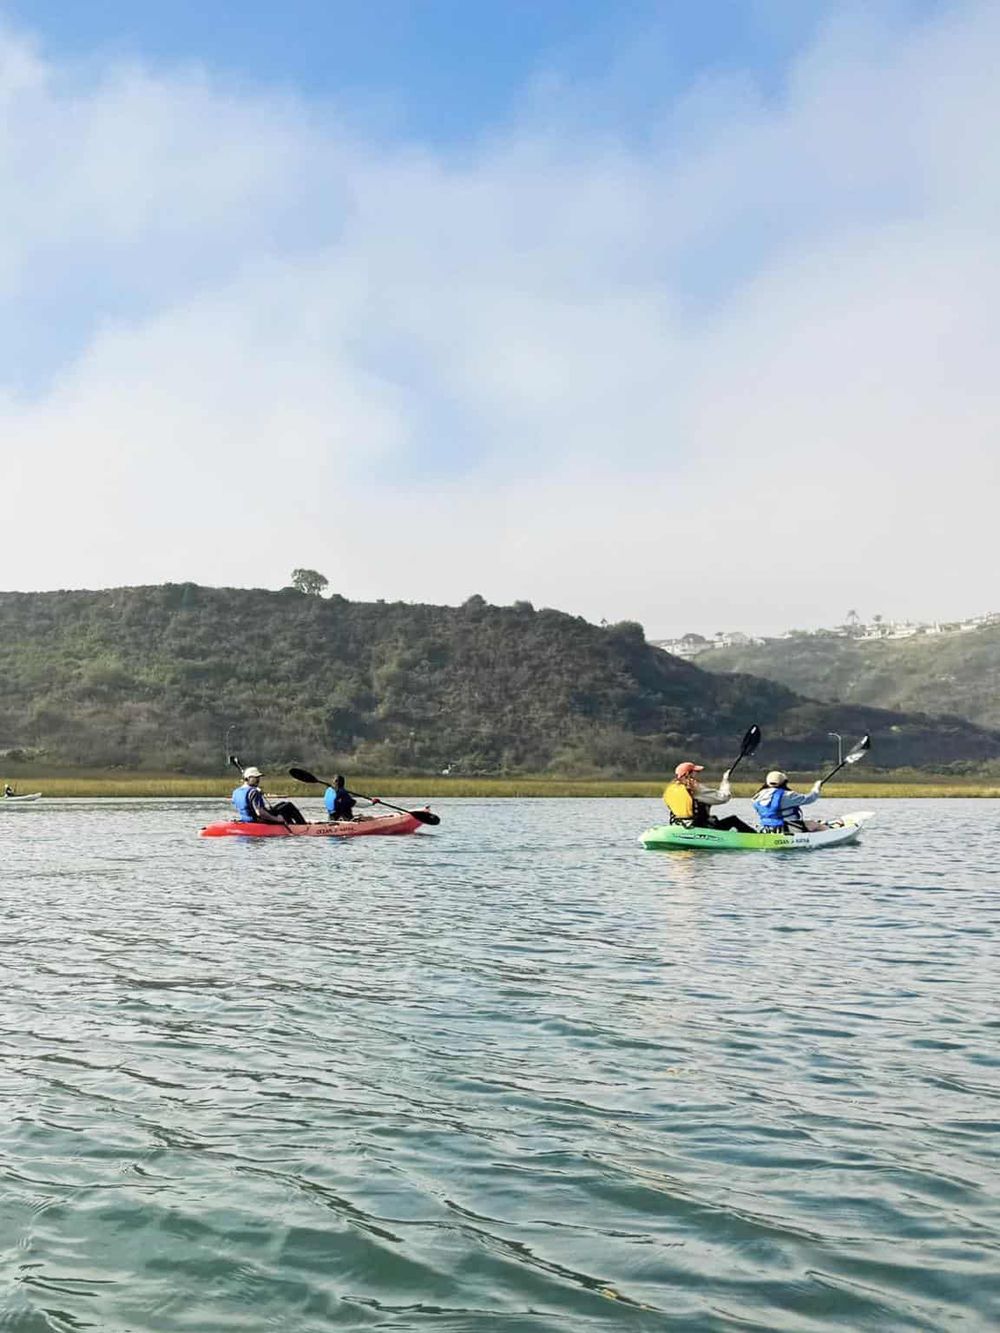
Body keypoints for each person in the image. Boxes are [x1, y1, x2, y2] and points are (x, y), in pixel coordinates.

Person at [662, 761, 756, 833]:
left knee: (714, 818)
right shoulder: (695, 788)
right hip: (699, 826)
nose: (697, 774)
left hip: (679, 824)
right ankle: (756, 838)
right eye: (695, 772)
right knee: (733, 820)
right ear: (689, 774)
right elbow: (723, 797)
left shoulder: (671, 789)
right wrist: (725, 781)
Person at [231, 766, 307, 826]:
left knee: (283, 804)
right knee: (288, 806)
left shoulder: (236, 792)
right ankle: (303, 825)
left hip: (246, 819)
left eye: (258, 777)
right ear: (247, 778)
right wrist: (277, 819)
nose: (258, 780)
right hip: (259, 820)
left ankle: (291, 823)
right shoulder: (253, 792)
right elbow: (260, 813)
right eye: (255, 778)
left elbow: (246, 806)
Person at [752, 770, 825, 833]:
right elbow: (810, 798)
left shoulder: (758, 796)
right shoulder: (788, 795)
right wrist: (816, 788)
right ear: (784, 782)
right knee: (814, 824)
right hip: (785, 828)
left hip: (765, 827)